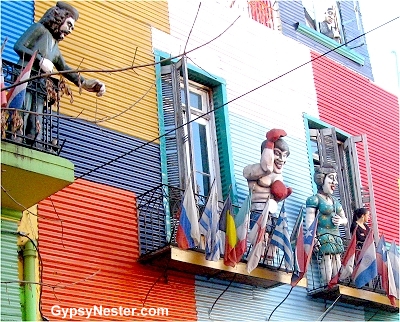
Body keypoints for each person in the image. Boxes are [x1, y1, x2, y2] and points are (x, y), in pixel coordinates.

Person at [12, 1, 105, 143]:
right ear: (59, 18)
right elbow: (18, 46)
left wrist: (85, 82)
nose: (70, 30)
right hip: (25, 77)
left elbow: (65, 68)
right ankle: (16, 137)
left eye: (72, 27)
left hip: (41, 84)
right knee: (23, 109)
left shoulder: (55, 48)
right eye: (69, 24)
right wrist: (40, 60)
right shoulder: (39, 29)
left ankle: (36, 142)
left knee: (36, 116)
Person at [243, 129, 292, 258]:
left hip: (271, 213)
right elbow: (266, 167)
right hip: (258, 211)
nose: (282, 159)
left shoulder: (278, 176)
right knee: (261, 237)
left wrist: (283, 195)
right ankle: (258, 257)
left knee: (272, 242)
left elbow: (275, 196)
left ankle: (268, 259)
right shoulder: (254, 170)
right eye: (278, 153)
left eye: (285, 155)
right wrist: (270, 143)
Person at [305, 165, 348, 285]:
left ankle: (337, 281)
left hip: (335, 235)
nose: (335, 182)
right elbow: (310, 221)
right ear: (321, 179)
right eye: (331, 178)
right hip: (323, 234)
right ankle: (328, 282)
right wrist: (313, 238)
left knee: (337, 259)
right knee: (327, 259)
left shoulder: (335, 201)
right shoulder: (314, 199)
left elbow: (345, 219)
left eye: (335, 178)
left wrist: (340, 221)